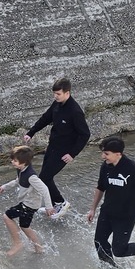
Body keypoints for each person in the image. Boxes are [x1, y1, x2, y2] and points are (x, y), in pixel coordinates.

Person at [85, 137, 135, 269]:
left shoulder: (134, 170)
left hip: (125, 216)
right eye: (103, 153)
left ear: (118, 154)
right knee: (99, 242)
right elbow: (100, 187)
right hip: (107, 211)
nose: (103, 156)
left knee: (119, 250)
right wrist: (93, 209)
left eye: (106, 154)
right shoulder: (106, 167)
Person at [24, 77, 91, 218]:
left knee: (44, 178)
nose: (55, 96)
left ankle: (61, 202)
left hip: (64, 152)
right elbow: (45, 118)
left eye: (58, 94)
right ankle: (56, 204)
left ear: (67, 93)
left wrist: (72, 154)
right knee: (46, 177)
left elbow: (85, 134)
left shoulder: (75, 111)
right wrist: (31, 132)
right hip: (53, 146)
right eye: (54, 94)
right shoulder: (57, 104)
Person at [0, 145, 55, 256]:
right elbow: (17, 181)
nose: (12, 162)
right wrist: (5, 186)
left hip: (30, 205)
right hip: (27, 203)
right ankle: (39, 248)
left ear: (24, 162)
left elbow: (45, 189)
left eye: (15, 160)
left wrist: (49, 207)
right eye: (12, 159)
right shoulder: (21, 170)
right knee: (24, 226)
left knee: (7, 216)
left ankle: (18, 243)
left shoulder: (31, 176)